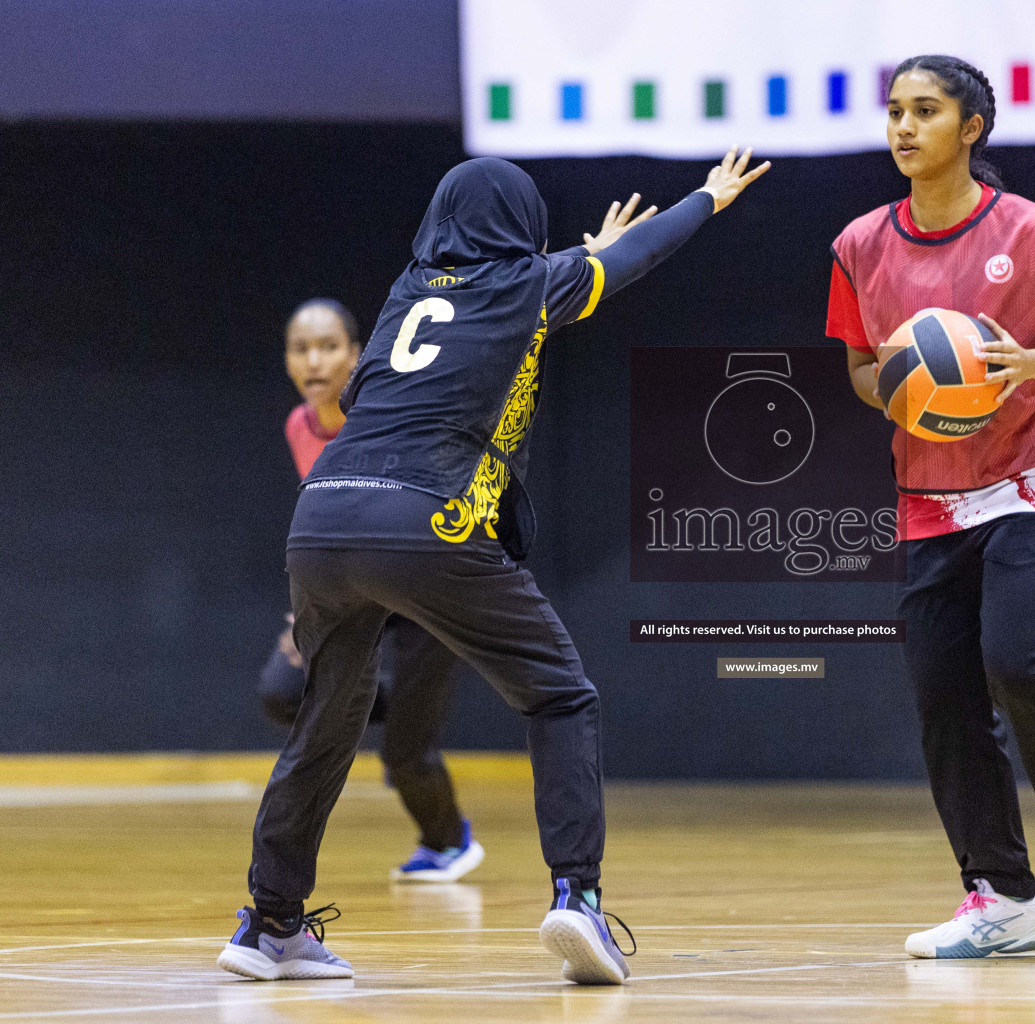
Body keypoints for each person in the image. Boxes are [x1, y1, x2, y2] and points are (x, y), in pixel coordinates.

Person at [217, 149, 769, 984]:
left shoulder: (408, 292)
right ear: (522, 224)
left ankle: (269, 926)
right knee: (560, 694)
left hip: (322, 518)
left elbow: (422, 373)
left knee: (323, 723)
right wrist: (705, 199)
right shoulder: (525, 284)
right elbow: (636, 260)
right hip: (424, 517)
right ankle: (577, 899)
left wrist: (584, 263)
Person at [827, 54, 1035, 959]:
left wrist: (1023, 367)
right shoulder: (859, 245)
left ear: (971, 128)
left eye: (925, 111)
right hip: (932, 488)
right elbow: (858, 365)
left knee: (1021, 655)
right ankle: (1005, 897)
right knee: (944, 694)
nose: (902, 127)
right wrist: (909, 388)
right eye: (894, 110)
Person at [261, 297, 484, 884]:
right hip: (362, 582)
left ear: (357, 356)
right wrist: (309, 611)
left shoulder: (382, 414)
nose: (315, 360)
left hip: (424, 580)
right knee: (284, 689)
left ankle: (448, 841)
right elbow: (330, 524)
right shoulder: (298, 425)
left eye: (329, 346)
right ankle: (397, 712)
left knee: (406, 757)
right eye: (300, 348)